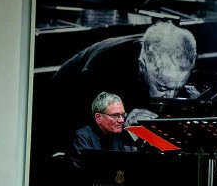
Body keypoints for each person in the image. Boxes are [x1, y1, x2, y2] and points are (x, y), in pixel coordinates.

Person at [49, 21, 198, 149]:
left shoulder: (169, 71)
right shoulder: (104, 68)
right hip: (58, 116)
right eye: (162, 88)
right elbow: (85, 134)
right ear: (142, 65)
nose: (170, 98)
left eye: (177, 88)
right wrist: (120, 125)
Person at [68, 91, 136, 169]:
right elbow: (87, 172)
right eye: (115, 115)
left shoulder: (117, 134)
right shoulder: (82, 137)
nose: (121, 120)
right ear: (98, 118)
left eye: (123, 115)